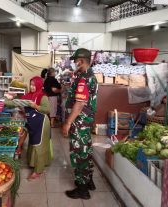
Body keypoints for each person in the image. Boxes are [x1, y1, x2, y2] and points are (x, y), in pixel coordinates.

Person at [62, 48, 98, 200]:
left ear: (81, 61)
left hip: (79, 122)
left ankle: (82, 189)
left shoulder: (84, 78)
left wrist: (68, 122)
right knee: (86, 150)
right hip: (86, 121)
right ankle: (89, 180)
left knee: (79, 154)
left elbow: (80, 103)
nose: (75, 64)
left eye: (76, 61)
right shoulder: (89, 76)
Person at [5, 76, 52, 180]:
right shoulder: (27, 95)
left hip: (42, 123)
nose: (32, 87)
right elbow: (13, 103)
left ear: (39, 85)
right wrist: (6, 99)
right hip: (32, 122)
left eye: (34, 85)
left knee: (39, 146)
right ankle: (33, 163)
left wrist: (36, 106)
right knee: (33, 144)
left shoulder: (42, 96)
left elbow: (47, 110)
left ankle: (38, 170)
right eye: (31, 84)